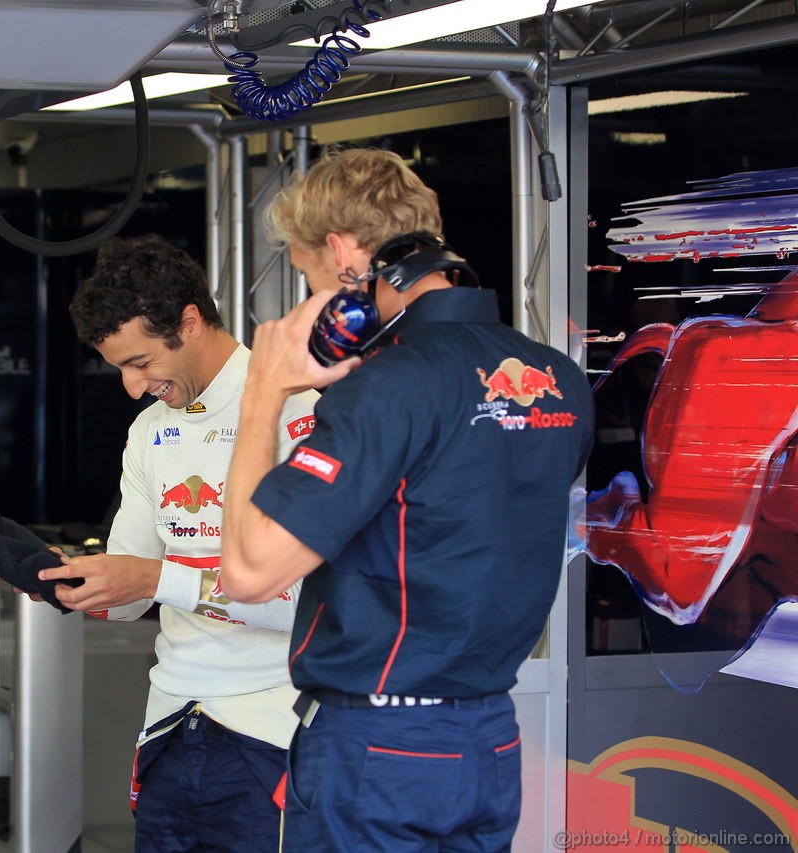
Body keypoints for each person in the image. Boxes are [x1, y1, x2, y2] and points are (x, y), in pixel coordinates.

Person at [218, 147, 594, 851]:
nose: (310, 300)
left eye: (306, 276)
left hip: (379, 746)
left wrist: (263, 394)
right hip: (491, 741)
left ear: (340, 252)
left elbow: (246, 571)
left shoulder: (391, 386)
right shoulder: (561, 380)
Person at [37, 235, 319, 852]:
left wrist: (156, 580)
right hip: (168, 727)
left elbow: (314, 606)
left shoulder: (296, 413)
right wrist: (60, 580)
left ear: (189, 322)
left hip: (272, 731)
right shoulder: (149, 432)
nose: (131, 387)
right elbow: (127, 597)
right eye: (118, 368)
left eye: (140, 363)